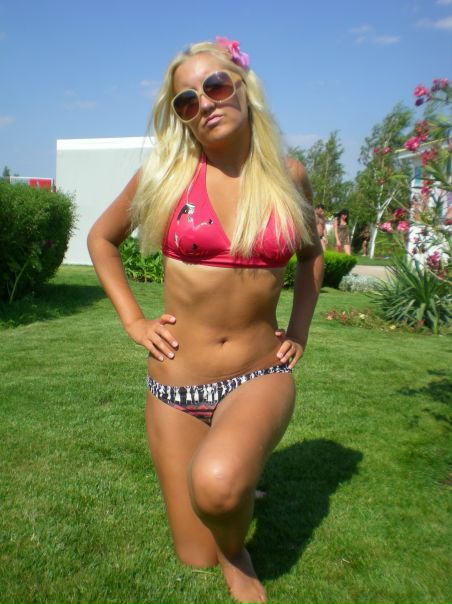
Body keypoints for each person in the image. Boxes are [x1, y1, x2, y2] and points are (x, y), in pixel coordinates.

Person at [88, 38, 324, 603]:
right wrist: (133, 321)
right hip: (175, 385)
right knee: (193, 555)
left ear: (244, 86)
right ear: (182, 117)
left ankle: (237, 552)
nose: (206, 104)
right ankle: (234, 480)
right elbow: (101, 239)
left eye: (215, 85)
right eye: (187, 101)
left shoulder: (288, 175)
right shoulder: (166, 175)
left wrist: (298, 330)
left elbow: (311, 255)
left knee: (216, 487)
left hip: (257, 373)